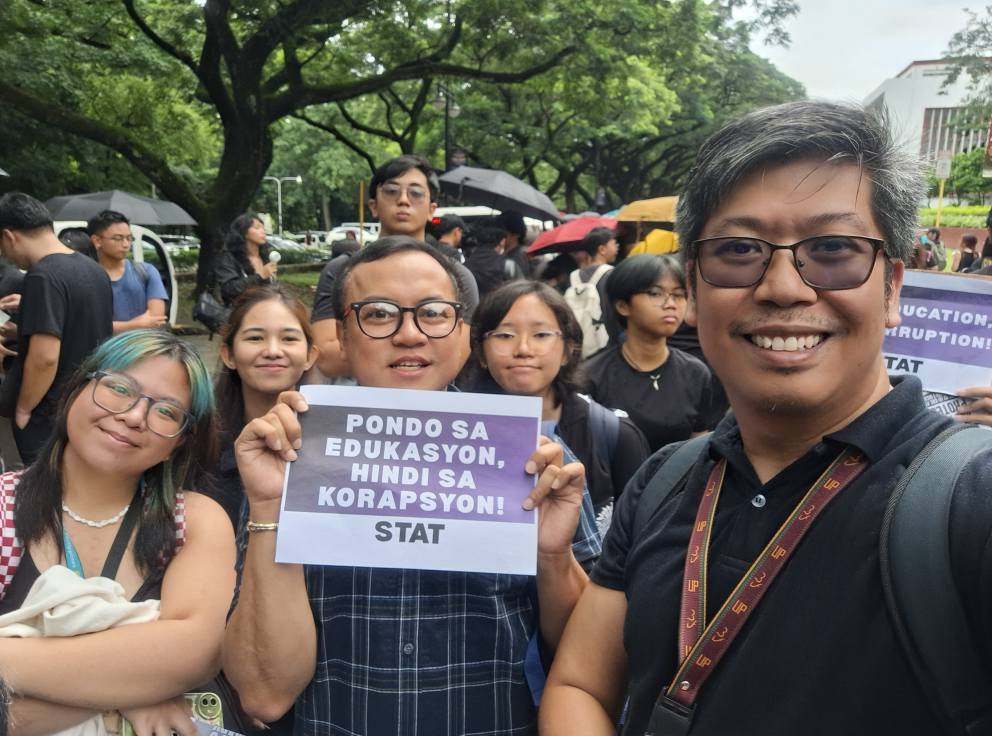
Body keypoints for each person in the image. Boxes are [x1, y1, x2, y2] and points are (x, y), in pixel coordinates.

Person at [541, 100, 992, 735]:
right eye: (739, 250)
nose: (783, 286)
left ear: (892, 288)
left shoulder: (971, 501)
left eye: (833, 248)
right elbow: (581, 683)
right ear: (694, 291)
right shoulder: (662, 480)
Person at [224, 236, 597, 735]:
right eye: (378, 314)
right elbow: (263, 695)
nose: (409, 334)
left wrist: (553, 559)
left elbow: (590, 667)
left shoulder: (534, 457)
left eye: (433, 313)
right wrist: (270, 505)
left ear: (462, 332)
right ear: (342, 336)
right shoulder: (292, 451)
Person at [0, 329, 235, 735]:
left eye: (166, 412)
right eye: (119, 388)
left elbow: (193, 654)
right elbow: (164, 667)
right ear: (77, 388)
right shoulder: (4, 506)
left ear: (180, 441)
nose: (133, 417)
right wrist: (131, 691)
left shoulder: (196, 520)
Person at [470, 280, 648, 512]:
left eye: (541, 335)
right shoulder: (455, 434)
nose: (523, 349)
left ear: (567, 350)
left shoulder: (615, 435)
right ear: (481, 353)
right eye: (505, 335)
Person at [310, 155, 479, 380]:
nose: (403, 200)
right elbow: (327, 358)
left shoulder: (458, 276)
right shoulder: (341, 270)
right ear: (373, 206)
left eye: (416, 193)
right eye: (378, 314)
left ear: (432, 209)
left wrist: (375, 352)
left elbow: (453, 358)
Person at [0, 193, 113, 465]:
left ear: (9, 236)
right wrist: (20, 332)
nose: (4, 254)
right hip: (86, 402)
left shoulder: (42, 275)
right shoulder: (93, 270)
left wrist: (25, 409)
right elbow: (80, 328)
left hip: (48, 412)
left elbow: (45, 357)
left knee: (39, 489)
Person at [584, 254, 721, 453]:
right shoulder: (593, 377)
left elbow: (697, 445)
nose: (671, 304)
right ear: (623, 305)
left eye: (679, 294)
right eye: (656, 293)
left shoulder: (695, 373)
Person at [211, 285, 318, 527]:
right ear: (229, 355)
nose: (272, 351)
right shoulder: (199, 441)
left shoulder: (334, 444)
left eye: (289, 338)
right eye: (255, 338)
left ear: (310, 356)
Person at [88, 210, 169, 333]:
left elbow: (157, 319)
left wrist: (114, 327)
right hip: (104, 351)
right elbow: (88, 326)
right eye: (118, 238)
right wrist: (136, 325)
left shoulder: (146, 271)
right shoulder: (86, 277)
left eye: (129, 238)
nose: (126, 244)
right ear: (97, 241)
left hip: (142, 349)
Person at [564, 228, 618, 358]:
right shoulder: (612, 274)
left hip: (577, 342)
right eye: (614, 243)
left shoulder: (573, 276)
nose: (617, 247)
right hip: (605, 343)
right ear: (602, 249)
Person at [215, 214, 277, 307]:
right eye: (257, 228)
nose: (263, 231)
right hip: (240, 314)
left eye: (263, 228)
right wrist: (260, 276)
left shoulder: (265, 257)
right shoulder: (229, 258)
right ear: (243, 232)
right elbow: (229, 289)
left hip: (266, 311)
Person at [463, 218, 521, 300]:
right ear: (502, 241)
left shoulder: (464, 265)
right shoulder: (508, 265)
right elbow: (521, 291)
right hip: (498, 310)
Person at [497, 211, 532, 278]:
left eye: (503, 232)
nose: (499, 235)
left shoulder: (520, 255)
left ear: (516, 234)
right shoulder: (504, 251)